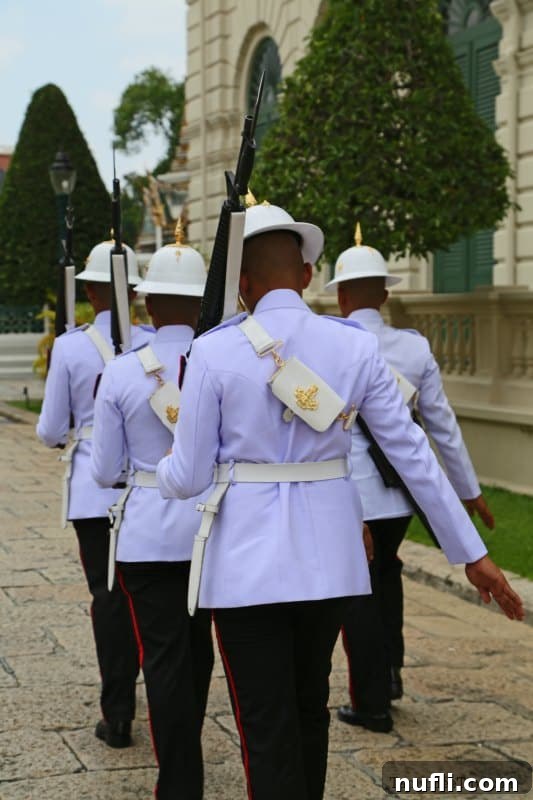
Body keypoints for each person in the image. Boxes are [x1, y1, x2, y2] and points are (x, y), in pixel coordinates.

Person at [156, 202, 523, 800]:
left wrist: (160, 476)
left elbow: (190, 475)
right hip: (330, 562)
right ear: (305, 274)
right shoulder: (353, 347)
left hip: (246, 568)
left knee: (265, 722)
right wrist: (471, 552)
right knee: (309, 709)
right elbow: (414, 454)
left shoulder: (214, 351)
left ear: (240, 285)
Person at [325, 225, 496, 733]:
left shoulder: (330, 346)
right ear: (383, 293)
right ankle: (391, 672)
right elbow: (441, 427)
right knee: (387, 578)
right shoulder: (413, 349)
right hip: (397, 497)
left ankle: (371, 701)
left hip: (350, 498)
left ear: (340, 294)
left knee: (358, 595)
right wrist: (469, 491)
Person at [91, 229, 214, 799]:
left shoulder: (120, 371)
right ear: (202, 300)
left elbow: (103, 472)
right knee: (200, 649)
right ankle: (185, 752)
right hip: (211, 530)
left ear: (147, 302)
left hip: (145, 531)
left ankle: (180, 778)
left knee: (162, 658)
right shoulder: (223, 360)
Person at [36, 239, 153, 748]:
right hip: (151, 490)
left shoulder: (69, 346)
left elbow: (48, 429)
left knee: (107, 598)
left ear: (89, 290)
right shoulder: (155, 342)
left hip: (93, 491)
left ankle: (118, 708)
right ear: (134, 291)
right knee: (146, 596)